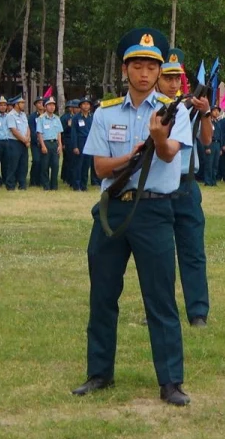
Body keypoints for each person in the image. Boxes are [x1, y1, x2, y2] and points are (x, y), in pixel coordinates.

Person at [73, 29, 194, 405]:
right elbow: (99, 167)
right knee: (103, 294)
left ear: (160, 71)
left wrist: (157, 139)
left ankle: (170, 381)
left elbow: (172, 153)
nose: (144, 73)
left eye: (151, 66)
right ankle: (99, 372)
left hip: (155, 209)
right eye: (137, 65)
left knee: (160, 298)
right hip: (113, 208)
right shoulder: (105, 113)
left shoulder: (176, 111)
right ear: (125, 69)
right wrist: (132, 156)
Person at [158, 50, 210, 329]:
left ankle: (197, 311)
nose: (173, 83)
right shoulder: (150, 109)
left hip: (186, 185)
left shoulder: (190, 107)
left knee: (192, 251)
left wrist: (205, 113)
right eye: (168, 77)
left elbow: (208, 139)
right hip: (157, 188)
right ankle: (159, 308)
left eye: (177, 78)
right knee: (158, 254)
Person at [34, 97, 64, 190]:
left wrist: (60, 145)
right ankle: (46, 186)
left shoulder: (57, 118)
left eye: (53, 105)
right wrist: (42, 146)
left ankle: (54, 186)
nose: (52, 107)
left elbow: (59, 132)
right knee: (45, 166)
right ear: (45, 107)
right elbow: (39, 133)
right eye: (49, 105)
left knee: (55, 165)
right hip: (46, 143)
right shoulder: (41, 118)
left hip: (54, 143)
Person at [4, 96, 31, 189]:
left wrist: (27, 138)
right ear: (16, 104)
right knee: (13, 164)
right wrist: (24, 140)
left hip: (24, 143)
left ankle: (22, 184)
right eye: (22, 103)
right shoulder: (10, 115)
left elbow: (27, 127)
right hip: (14, 142)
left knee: (23, 165)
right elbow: (14, 130)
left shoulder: (23, 115)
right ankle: (10, 184)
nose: (24, 105)